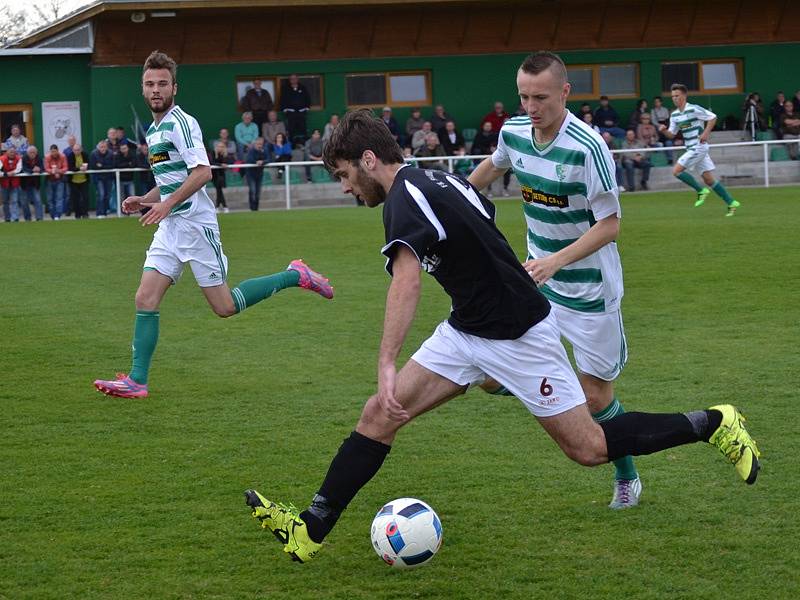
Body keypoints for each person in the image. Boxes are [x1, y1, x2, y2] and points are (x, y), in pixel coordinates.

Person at [243, 108, 760, 563]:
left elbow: (407, 279)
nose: (345, 187)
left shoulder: (404, 198)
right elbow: (484, 226)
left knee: (588, 447)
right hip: (468, 328)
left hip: (518, 335)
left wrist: (386, 363)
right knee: (378, 414)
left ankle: (713, 423)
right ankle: (311, 530)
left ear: (370, 159)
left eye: (344, 174)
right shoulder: (441, 180)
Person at [93, 51, 334, 399]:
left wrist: (166, 204)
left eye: (162, 83)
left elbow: (202, 172)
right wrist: (145, 200)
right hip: (171, 227)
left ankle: (294, 274)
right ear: (142, 89)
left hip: (195, 225)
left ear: (174, 87)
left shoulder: (181, 122)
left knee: (225, 307)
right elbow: (171, 179)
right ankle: (137, 380)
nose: (156, 89)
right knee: (145, 298)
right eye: (149, 84)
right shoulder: (154, 129)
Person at [471, 50, 644, 505]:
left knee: (594, 397)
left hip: (589, 289)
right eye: (524, 96)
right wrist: (458, 200)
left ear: (565, 92)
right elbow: (494, 165)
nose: (531, 107)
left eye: (541, 97)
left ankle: (626, 475)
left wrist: (556, 261)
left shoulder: (588, 147)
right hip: (535, 279)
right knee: (488, 375)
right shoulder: (513, 132)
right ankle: (542, 382)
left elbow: (610, 226)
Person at [660, 83, 740, 216]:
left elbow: (712, 117)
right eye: (673, 96)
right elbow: (672, 134)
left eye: (677, 95)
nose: (674, 98)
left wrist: (706, 133)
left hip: (699, 147)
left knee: (676, 171)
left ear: (684, 96)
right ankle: (731, 202)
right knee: (709, 179)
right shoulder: (674, 115)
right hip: (691, 148)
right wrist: (663, 131)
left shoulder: (693, 109)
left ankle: (700, 191)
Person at [469, 121, 511, 198]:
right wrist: (488, 150)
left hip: (496, 157)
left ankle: (505, 188)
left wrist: (494, 149)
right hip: (483, 158)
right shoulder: (479, 135)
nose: (488, 127)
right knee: (488, 171)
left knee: (507, 170)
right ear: (483, 126)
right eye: (486, 126)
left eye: (489, 126)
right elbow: (477, 146)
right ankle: (488, 190)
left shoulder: (495, 134)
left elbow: (498, 145)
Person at [281, 74, 311, 145]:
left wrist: (307, 108)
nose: (293, 80)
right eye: (291, 79)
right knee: (291, 129)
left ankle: (305, 144)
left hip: (301, 112)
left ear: (297, 79)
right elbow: (282, 99)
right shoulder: (285, 88)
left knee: (303, 128)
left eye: (294, 78)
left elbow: (307, 98)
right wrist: (284, 109)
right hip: (291, 113)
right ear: (289, 80)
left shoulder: (303, 87)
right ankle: (292, 145)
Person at [89, 140, 114, 218]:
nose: (103, 148)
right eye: (101, 147)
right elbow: (93, 166)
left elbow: (112, 165)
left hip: (108, 177)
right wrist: (103, 165)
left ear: (107, 147)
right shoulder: (94, 154)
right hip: (98, 178)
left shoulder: (110, 153)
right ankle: (100, 213)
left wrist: (101, 165)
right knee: (101, 195)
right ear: (98, 147)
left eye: (104, 147)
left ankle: (105, 211)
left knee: (108, 195)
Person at [20, 145, 44, 221]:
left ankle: (39, 218)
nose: (32, 154)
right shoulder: (23, 158)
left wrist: (39, 169)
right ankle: (27, 218)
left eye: (34, 152)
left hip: (35, 184)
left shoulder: (39, 158)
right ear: (27, 153)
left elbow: (43, 168)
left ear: (36, 153)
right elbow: (23, 169)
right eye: (31, 152)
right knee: (24, 202)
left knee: (38, 200)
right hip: (25, 184)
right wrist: (32, 170)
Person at [44, 144, 68, 220]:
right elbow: (46, 168)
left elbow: (65, 167)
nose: (53, 153)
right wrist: (53, 172)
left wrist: (59, 171)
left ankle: (58, 215)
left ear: (57, 151)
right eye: (52, 151)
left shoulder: (62, 156)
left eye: (54, 151)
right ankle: (52, 215)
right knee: (50, 199)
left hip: (60, 180)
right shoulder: (47, 157)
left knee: (59, 198)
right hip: (49, 180)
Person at [0, 145, 23, 222]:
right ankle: (7, 218)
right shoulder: (1, 159)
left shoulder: (19, 158)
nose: (12, 153)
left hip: (14, 183)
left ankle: (15, 217)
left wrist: (12, 172)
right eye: (10, 152)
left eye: (13, 152)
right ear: (7, 152)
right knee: (5, 201)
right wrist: (6, 174)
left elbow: (19, 169)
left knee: (14, 201)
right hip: (4, 183)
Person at [244, 137, 268, 211]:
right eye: (258, 144)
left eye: (261, 144)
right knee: (253, 190)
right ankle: (252, 208)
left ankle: (256, 209)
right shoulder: (251, 151)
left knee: (258, 192)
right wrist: (256, 162)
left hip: (259, 174)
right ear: (255, 144)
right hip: (251, 174)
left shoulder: (264, 151)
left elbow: (269, 159)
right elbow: (249, 160)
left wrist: (262, 162)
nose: (259, 145)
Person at [67, 143, 90, 218]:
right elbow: (70, 168)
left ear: (81, 150)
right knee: (75, 199)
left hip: (84, 180)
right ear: (73, 150)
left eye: (78, 150)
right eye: (75, 150)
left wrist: (86, 168)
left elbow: (89, 164)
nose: (77, 151)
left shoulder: (85, 155)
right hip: (73, 181)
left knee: (85, 198)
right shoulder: (70, 156)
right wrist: (79, 169)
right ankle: (77, 214)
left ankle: (85, 213)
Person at [210, 141, 232, 212]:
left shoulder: (224, 154)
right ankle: (224, 207)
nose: (220, 148)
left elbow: (229, 162)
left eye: (222, 147)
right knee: (219, 190)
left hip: (221, 175)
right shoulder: (213, 153)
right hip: (214, 175)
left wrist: (223, 162)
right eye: (219, 146)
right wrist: (220, 165)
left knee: (219, 190)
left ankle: (218, 207)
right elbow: (211, 162)